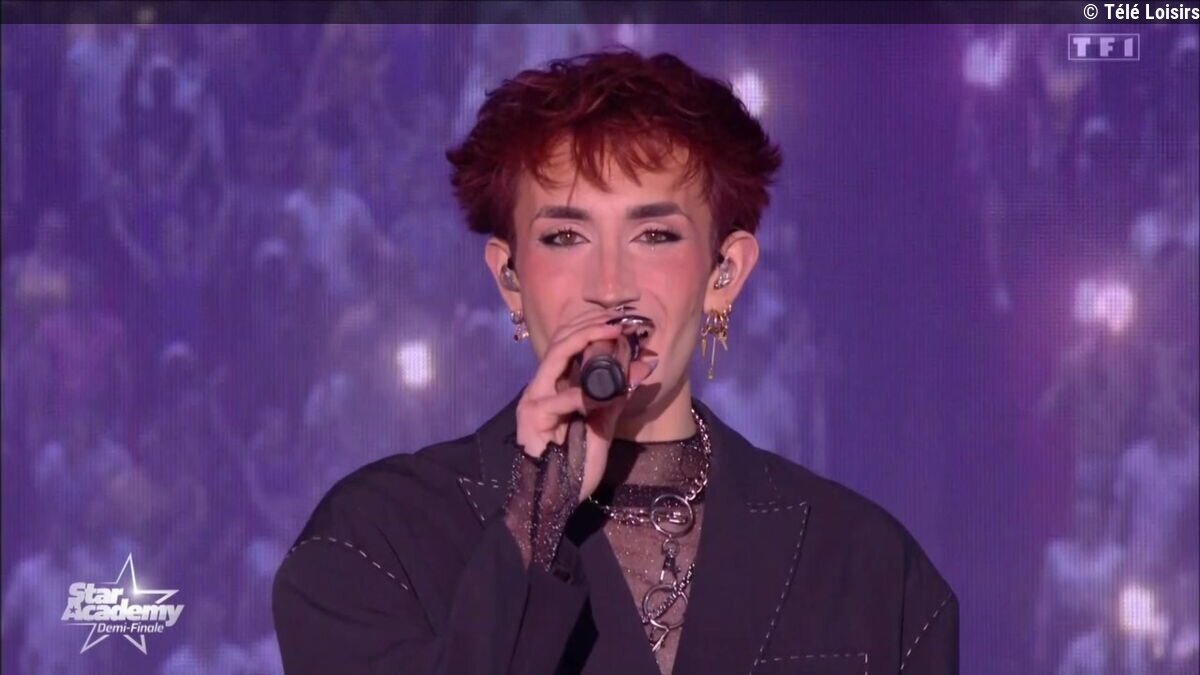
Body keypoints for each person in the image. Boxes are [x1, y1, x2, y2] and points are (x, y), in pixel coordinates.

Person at [273, 49, 958, 674]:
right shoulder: (377, 540)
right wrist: (538, 515)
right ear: (510, 278)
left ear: (724, 272)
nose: (610, 284)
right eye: (564, 237)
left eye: (655, 234)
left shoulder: (868, 568)